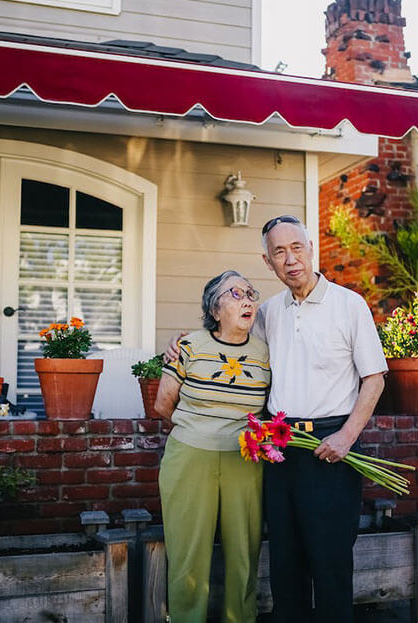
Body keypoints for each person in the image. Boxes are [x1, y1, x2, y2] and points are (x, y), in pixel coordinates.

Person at [166, 216, 387, 623]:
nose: (290, 260)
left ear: (310, 248)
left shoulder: (348, 304)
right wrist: (182, 346)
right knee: (286, 565)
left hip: (330, 448)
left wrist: (347, 436)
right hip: (280, 449)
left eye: (296, 248)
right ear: (267, 262)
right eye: (279, 252)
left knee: (330, 563)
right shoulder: (268, 313)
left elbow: (374, 377)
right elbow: (229, 339)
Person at [154, 270, 271, 623]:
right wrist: (200, 430)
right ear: (215, 309)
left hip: (244, 459)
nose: (247, 299)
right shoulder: (189, 346)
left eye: (251, 292)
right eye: (235, 293)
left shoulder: (266, 352)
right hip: (190, 457)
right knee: (188, 554)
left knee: (243, 554)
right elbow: (163, 404)